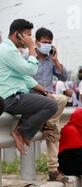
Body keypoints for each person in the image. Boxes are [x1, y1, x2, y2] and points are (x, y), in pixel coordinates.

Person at [0, 19, 58, 155]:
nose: (30, 39)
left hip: (16, 95)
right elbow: (31, 70)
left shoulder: (10, 49)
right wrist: (32, 48)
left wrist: (42, 89)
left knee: (45, 97)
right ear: (17, 35)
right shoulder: (8, 51)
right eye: (27, 35)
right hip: (11, 98)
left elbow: (24, 77)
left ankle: (26, 129)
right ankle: (21, 132)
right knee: (51, 106)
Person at [33, 27, 70, 183]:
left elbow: (63, 76)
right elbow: (25, 80)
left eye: (49, 43)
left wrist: (55, 60)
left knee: (53, 130)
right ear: (36, 42)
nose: (47, 45)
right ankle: (50, 124)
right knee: (60, 100)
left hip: (48, 99)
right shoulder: (29, 58)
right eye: (44, 42)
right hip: (33, 97)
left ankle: (53, 170)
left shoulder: (50, 60)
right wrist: (43, 92)